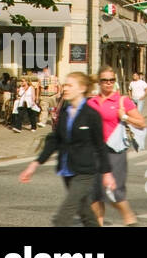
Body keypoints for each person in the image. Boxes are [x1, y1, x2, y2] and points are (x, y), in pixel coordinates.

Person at [18, 72, 116, 227]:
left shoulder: (91, 115)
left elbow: (100, 145)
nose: (65, 88)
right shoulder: (64, 112)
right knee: (86, 214)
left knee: (62, 218)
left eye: (70, 85)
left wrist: (107, 173)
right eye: (65, 85)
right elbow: (54, 140)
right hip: (67, 170)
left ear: (82, 88)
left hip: (84, 172)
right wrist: (35, 163)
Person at [88, 67, 146, 227]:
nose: (108, 83)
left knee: (114, 191)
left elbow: (142, 122)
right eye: (105, 80)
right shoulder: (91, 102)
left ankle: (129, 218)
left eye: (111, 80)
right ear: (99, 82)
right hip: (95, 152)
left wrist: (125, 117)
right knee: (94, 193)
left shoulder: (122, 101)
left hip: (115, 152)